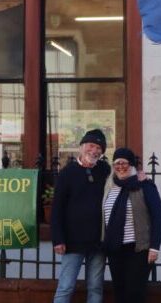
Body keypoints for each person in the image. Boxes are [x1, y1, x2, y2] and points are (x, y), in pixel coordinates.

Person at [51, 129, 111, 303]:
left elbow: (122, 180)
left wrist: (140, 177)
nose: (95, 150)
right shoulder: (67, 173)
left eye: (99, 147)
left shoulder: (105, 170)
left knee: (95, 287)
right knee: (66, 287)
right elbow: (57, 209)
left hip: (98, 242)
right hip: (72, 242)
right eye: (91, 145)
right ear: (82, 147)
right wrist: (58, 239)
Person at [102, 147, 161, 303]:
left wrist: (154, 247)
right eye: (117, 163)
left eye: (124, 163)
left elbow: (159, 216)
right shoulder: (110, 187)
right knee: (120, 291)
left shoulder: (144, 185)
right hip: (115, 249)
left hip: (139, 249)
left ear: (131, 165)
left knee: (134, 293)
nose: (120, 166)